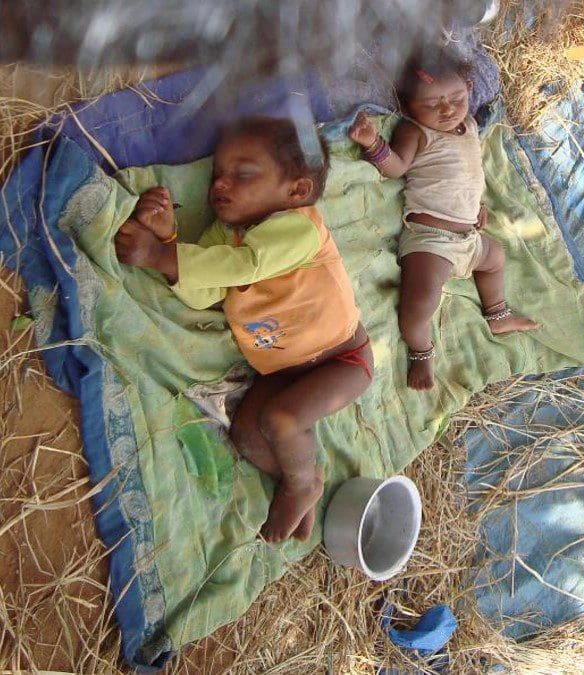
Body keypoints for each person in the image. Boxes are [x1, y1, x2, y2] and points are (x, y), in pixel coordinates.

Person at [114, 117, 373, 544]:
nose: (221, 184)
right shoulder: (224, 235)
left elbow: (246, 265)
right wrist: (172, 241)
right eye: (217, 175)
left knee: (281, 420)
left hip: (341, 358)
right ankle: (306, 477)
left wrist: (163, 255)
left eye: (243, 174)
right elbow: (207, 292)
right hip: (281, 371)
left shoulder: (300, 226)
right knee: (249, 438)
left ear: (296, 190)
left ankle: (300, 485)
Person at [348, 49, 537, 391]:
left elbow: (467, 175)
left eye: (456, 98)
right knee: (421, 303)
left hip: (469, 235)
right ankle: (421, 352)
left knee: (495, 258)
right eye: (432, 104)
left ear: (468, 87)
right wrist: (373, 143)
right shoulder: (415, 132)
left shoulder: (471, 125)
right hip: (431, 239)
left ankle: (498, 314)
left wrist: (475, 207)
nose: (447, 109)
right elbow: (397, 168)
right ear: (408, 108)